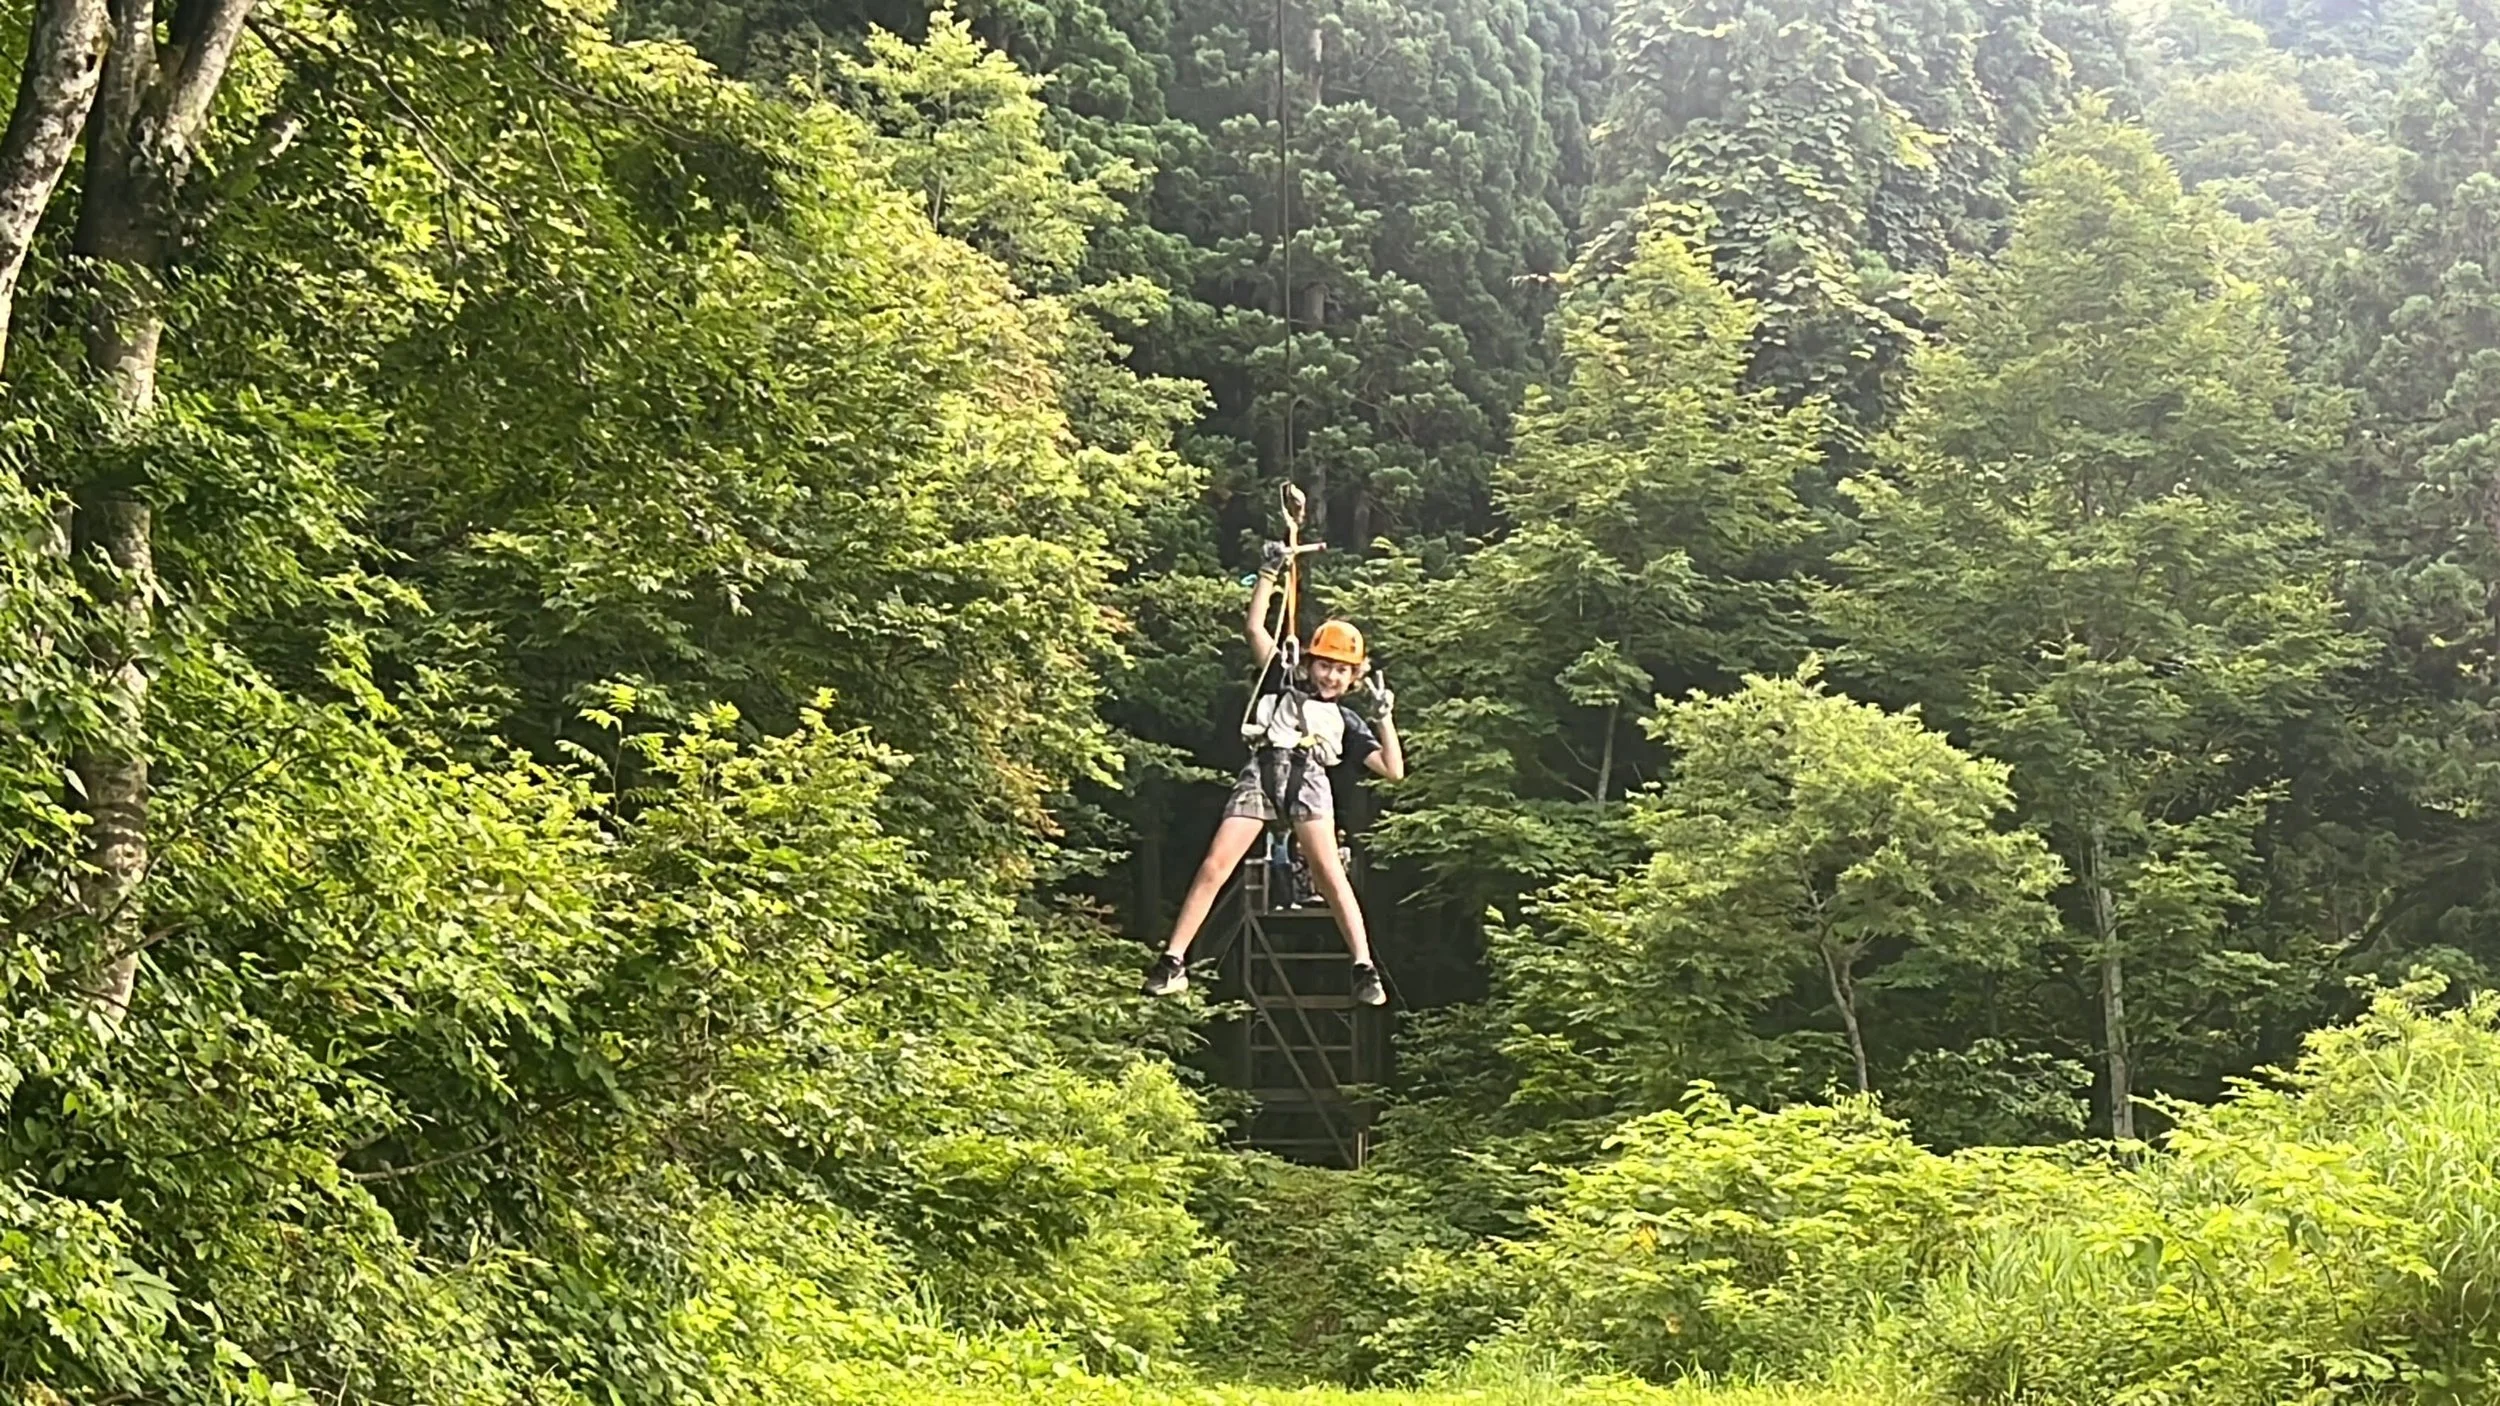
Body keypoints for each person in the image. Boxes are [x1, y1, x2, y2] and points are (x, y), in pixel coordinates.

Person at [1140, 544, 1404, 1005]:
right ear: (1309, 663)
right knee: (1215, 865)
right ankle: (1173, 960)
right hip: (1262, 774)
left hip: (1308, 783)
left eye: (1341, 671)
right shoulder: (1281, 680)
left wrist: (1384, 718)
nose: (1331, 677)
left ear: (1354, 677)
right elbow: (1254, 627)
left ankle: (1364, 966)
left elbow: (1392, 770)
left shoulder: (1347, 722)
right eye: (1325, 666)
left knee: (1328, 873)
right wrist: (1269, 571)